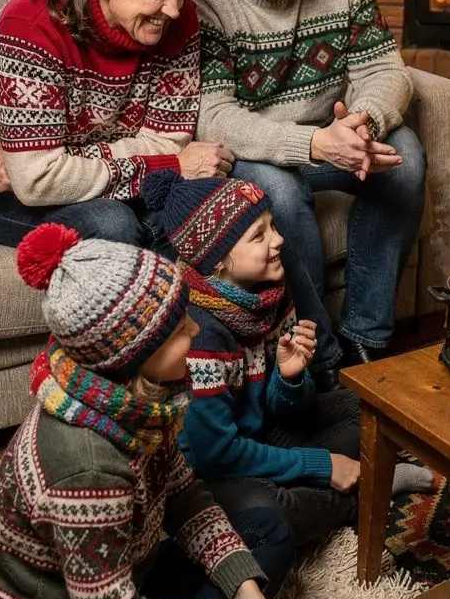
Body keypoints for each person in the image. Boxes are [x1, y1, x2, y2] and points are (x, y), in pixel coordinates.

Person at [0, 223, 343, 599]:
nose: (195, 327)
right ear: (134, 352)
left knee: (267, 529)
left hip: (122, 576)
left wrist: (248, 594)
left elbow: (184, 494)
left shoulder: (139, 400)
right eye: (178, 328)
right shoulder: (85, 466)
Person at [189, 0, 427, 390]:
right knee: (277, 190)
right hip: (251, 149)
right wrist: (317, 143)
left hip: (333, 134)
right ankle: (319, 358)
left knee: (403, 153)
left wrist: (365, 123)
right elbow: (214, 117)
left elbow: (387, 72)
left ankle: (368, 338)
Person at [142, 169, 434, 547]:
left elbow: (286, 411)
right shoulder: (201, 333)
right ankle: (365, 493)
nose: (279, 240)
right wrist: (321, 466)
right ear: (218, 261)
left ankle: (346, 476)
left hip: (263, 435)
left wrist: (289, 377)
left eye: (272, 226)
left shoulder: (270, 291)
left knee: (366, 408)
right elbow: (216, 456)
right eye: (258, 235)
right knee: (270, 511)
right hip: (213, 471)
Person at [0, 0, 232, 250]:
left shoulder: (179, 23)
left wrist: (54, 162)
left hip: (52, 176)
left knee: (222, 207)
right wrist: (169, 166)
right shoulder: (31, 30)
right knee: (112, 223)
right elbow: (37, 182)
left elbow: (169, 142)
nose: (174, 9)